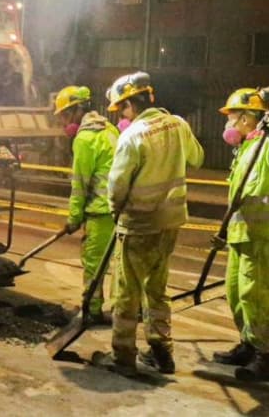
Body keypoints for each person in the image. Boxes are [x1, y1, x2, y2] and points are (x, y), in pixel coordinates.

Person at [105, 71, 204, 375]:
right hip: (169, 224)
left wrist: (115, 212)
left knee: (126, 292)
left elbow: (117, 185)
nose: (121, 115)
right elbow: (197, 159)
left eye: (121, 109)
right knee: (157, 288)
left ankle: (123, 355)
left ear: (129, 106)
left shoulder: (132, 136)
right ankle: (163, 353)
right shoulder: (178, 124)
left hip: (138, 225)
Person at [213, 87, 269, 382]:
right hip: (241, 234)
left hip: (262, 236)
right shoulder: (246, 148)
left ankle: (265, 358)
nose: (230, 122)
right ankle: (248, 345)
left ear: (250, 118)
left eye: (234, 116)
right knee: (236, 293)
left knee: (256, 295)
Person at [53, 85, 119, 324]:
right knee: (119, 265)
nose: (63, 122)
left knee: (94, 262)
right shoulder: (109, 129)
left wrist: (73, 218)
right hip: (120, 210)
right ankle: (125, 312)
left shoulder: (85, 138)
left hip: (101, 212)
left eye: (63, 115)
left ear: (76, 111)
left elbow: (79, 184)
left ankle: (91, 311)